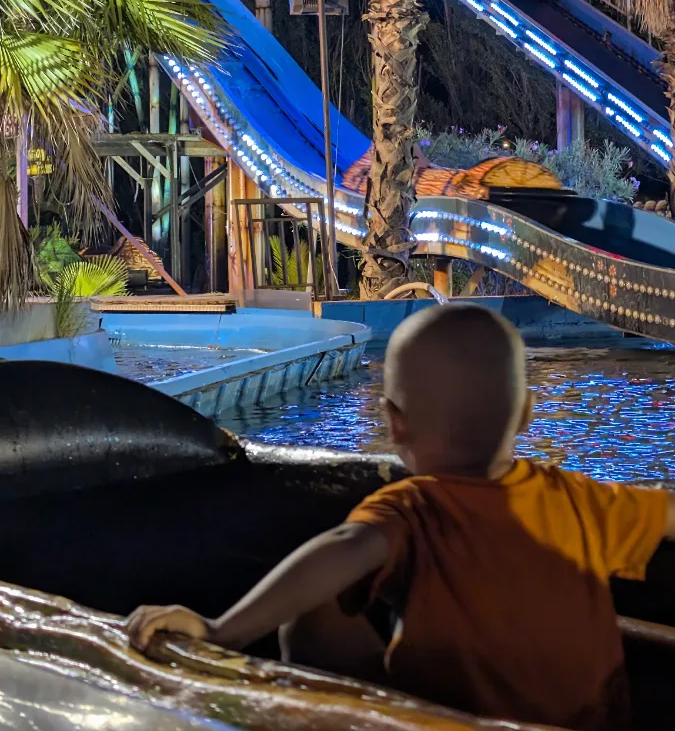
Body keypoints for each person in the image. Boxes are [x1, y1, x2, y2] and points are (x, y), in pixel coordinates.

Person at [127, 304, 675, 731]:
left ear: (396, 422)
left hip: (450, 718)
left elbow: (344, 547)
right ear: (527, 414)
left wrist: (222, 630)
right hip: (591, 722)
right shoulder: (584, 500)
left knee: (314, 610)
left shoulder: (414, 508)